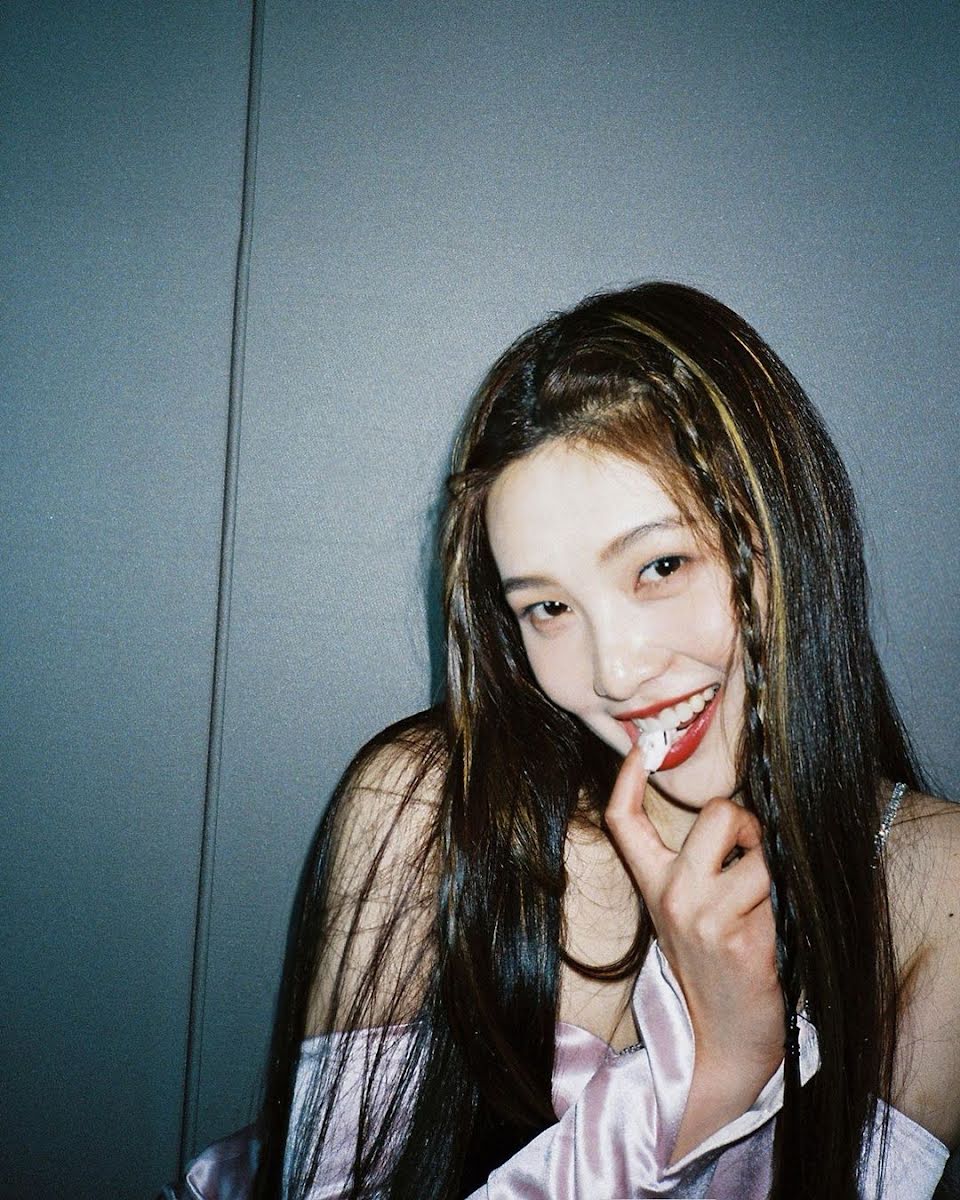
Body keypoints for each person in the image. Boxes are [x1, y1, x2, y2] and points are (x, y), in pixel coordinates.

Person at [177, 282, 960, 1200]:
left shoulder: (938, 887)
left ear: (783, 536)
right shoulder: (427, 808)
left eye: (660, 565)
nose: (616, 672)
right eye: (548, 608)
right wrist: (711, 1074)